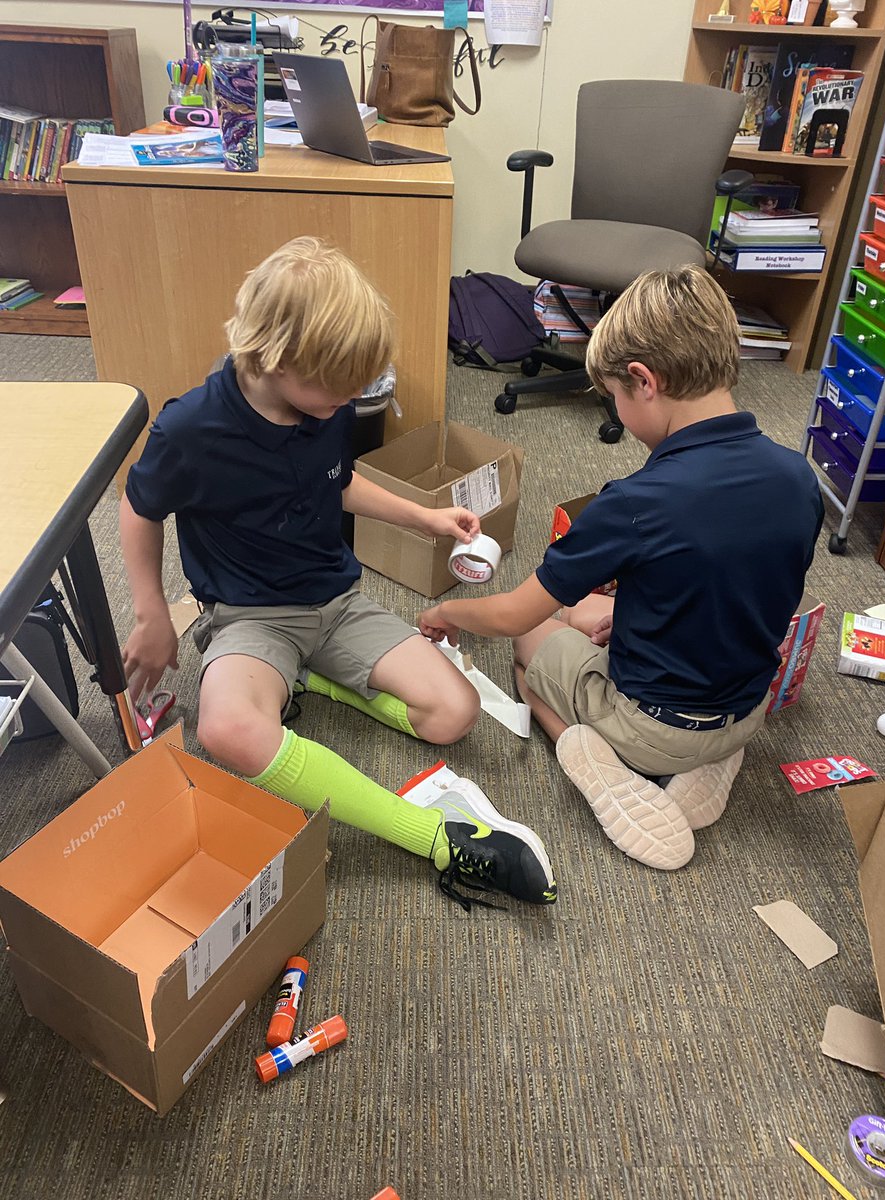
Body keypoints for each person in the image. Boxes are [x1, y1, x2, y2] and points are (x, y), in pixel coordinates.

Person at [119, 237, 557, 910]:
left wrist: (424, 517)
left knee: (455, 714)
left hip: (336, 600)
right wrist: (152, 613)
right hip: (248, 614)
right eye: (339, 388)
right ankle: (435, 839)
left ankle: (315, 678)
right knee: (227, 727)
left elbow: (337, 480)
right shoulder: (192, 429)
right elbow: (138, 508)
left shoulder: (325, 403)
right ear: (276, 358)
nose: (352, 399)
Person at [418, 264, 824, 872]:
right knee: (593, 612)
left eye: (613, 398)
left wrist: (446, 611)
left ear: (642, 381)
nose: (617, 411)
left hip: (655, 728)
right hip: (746, 711)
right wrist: (633, 619)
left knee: (532, 644)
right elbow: (741, 584)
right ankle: (708, 761)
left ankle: (598, 764)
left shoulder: (634, 502)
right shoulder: (799, 477)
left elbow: (508, 615)